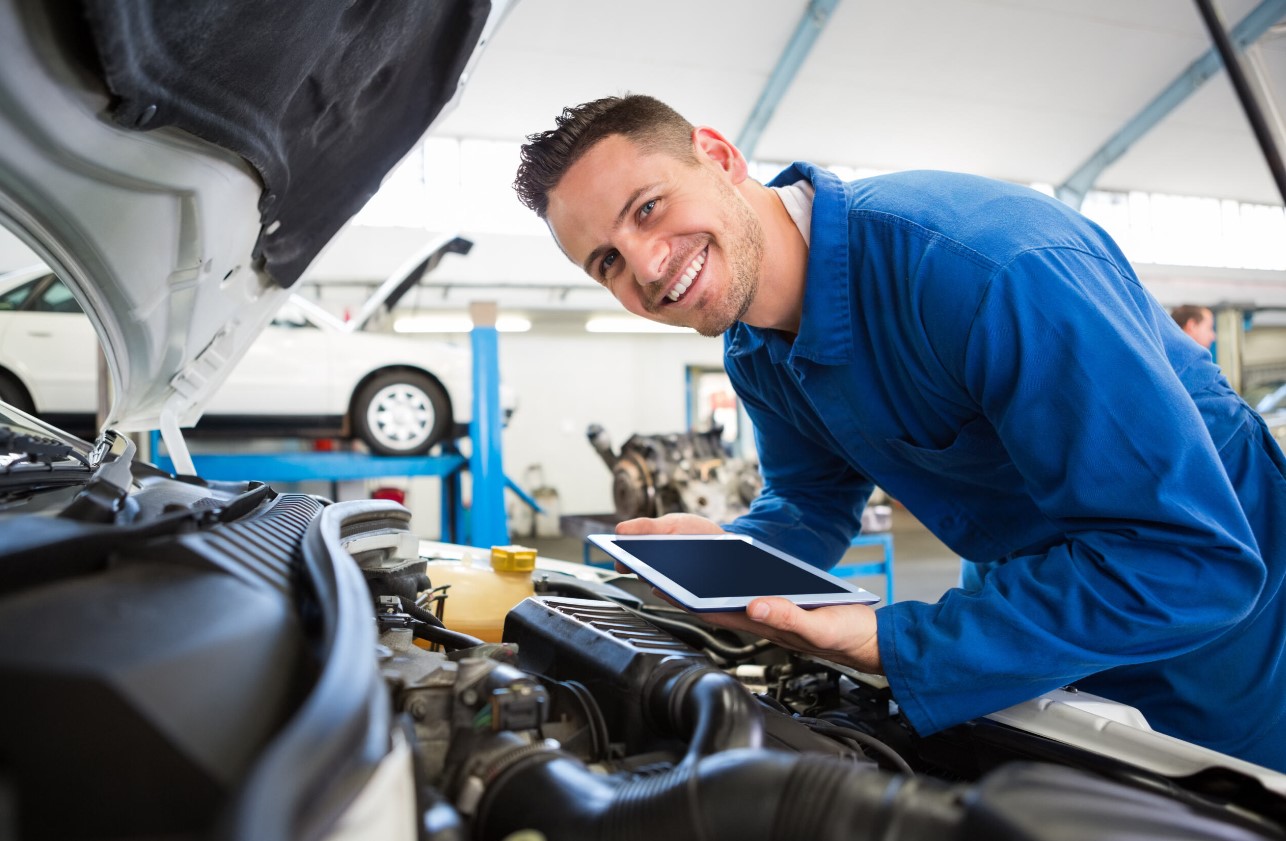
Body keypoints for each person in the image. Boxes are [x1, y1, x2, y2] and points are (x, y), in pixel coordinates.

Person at [512, 94, 1286, 771]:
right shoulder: (753, 351)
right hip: (1036, 598)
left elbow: (1193, 561)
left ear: (718, 154)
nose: (645, 267)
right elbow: (811, 505)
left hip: (1222, 627)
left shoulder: (985, 269)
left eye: (648, 208)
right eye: (607, 261)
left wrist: (897, 642)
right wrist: (725, 561)